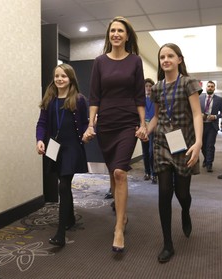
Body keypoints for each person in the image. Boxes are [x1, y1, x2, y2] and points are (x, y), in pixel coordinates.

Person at [83, 16, 147, 253]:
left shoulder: (135, 61)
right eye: (113, 31)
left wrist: (142, 124)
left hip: (127, 123)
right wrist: (91, 125)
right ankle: (122, 215)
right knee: (113, 171)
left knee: (120, 172)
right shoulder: (99, 62)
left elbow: (140, 96)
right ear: (109, 35)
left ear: (127, 35)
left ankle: (118, 228)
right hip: (107, 124)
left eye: (121, 31)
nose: (116, 34)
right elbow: (94, 97)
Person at [148, 43, 203, 263]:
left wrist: (198, 143)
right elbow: (157, 117)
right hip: (162, 144)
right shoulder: (157, 88)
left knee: (182, 194)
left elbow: (197, 114)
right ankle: (168, 244)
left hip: (184, 145)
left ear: (179, 59)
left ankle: (186, 211)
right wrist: (146, 130)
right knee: (163, 192)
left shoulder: (189, 83)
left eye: (170, 56)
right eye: (162, 57)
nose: (166, 60)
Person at [36, 63, 89, 247]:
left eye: (64, 76)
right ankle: (71, 217)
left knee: (64, 184)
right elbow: (41, 123)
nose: (59, 79)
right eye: (57, 76)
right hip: (54, 147)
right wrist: (39, 139)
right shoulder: (49, 99)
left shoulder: (79, 99)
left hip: (72, 147)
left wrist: (87, 133)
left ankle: (60, 233)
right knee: (63, 183)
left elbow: (84, 124)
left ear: (71, 79)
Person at [199, 81, 222, 172]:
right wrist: (200, 115)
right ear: (206, 88)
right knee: (202, 145)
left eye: (212, 86)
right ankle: (206, 159)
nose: (210, 88)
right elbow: (194, 111)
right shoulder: (199, 98)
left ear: (214, 88)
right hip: (201, 125)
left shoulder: (219, 99)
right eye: (208, 86)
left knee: (210, 145)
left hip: (212, 126)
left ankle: (209, 163)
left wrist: (215, 116)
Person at [142, 78, 157, 184]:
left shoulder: (155, 99)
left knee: (152, 152)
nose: (148, 88)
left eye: (150, 86)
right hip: (143, 128)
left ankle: (154, 173)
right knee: (145, 152)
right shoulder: (140, 100)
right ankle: (147, 172)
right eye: (146, 86)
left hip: (153, 128)